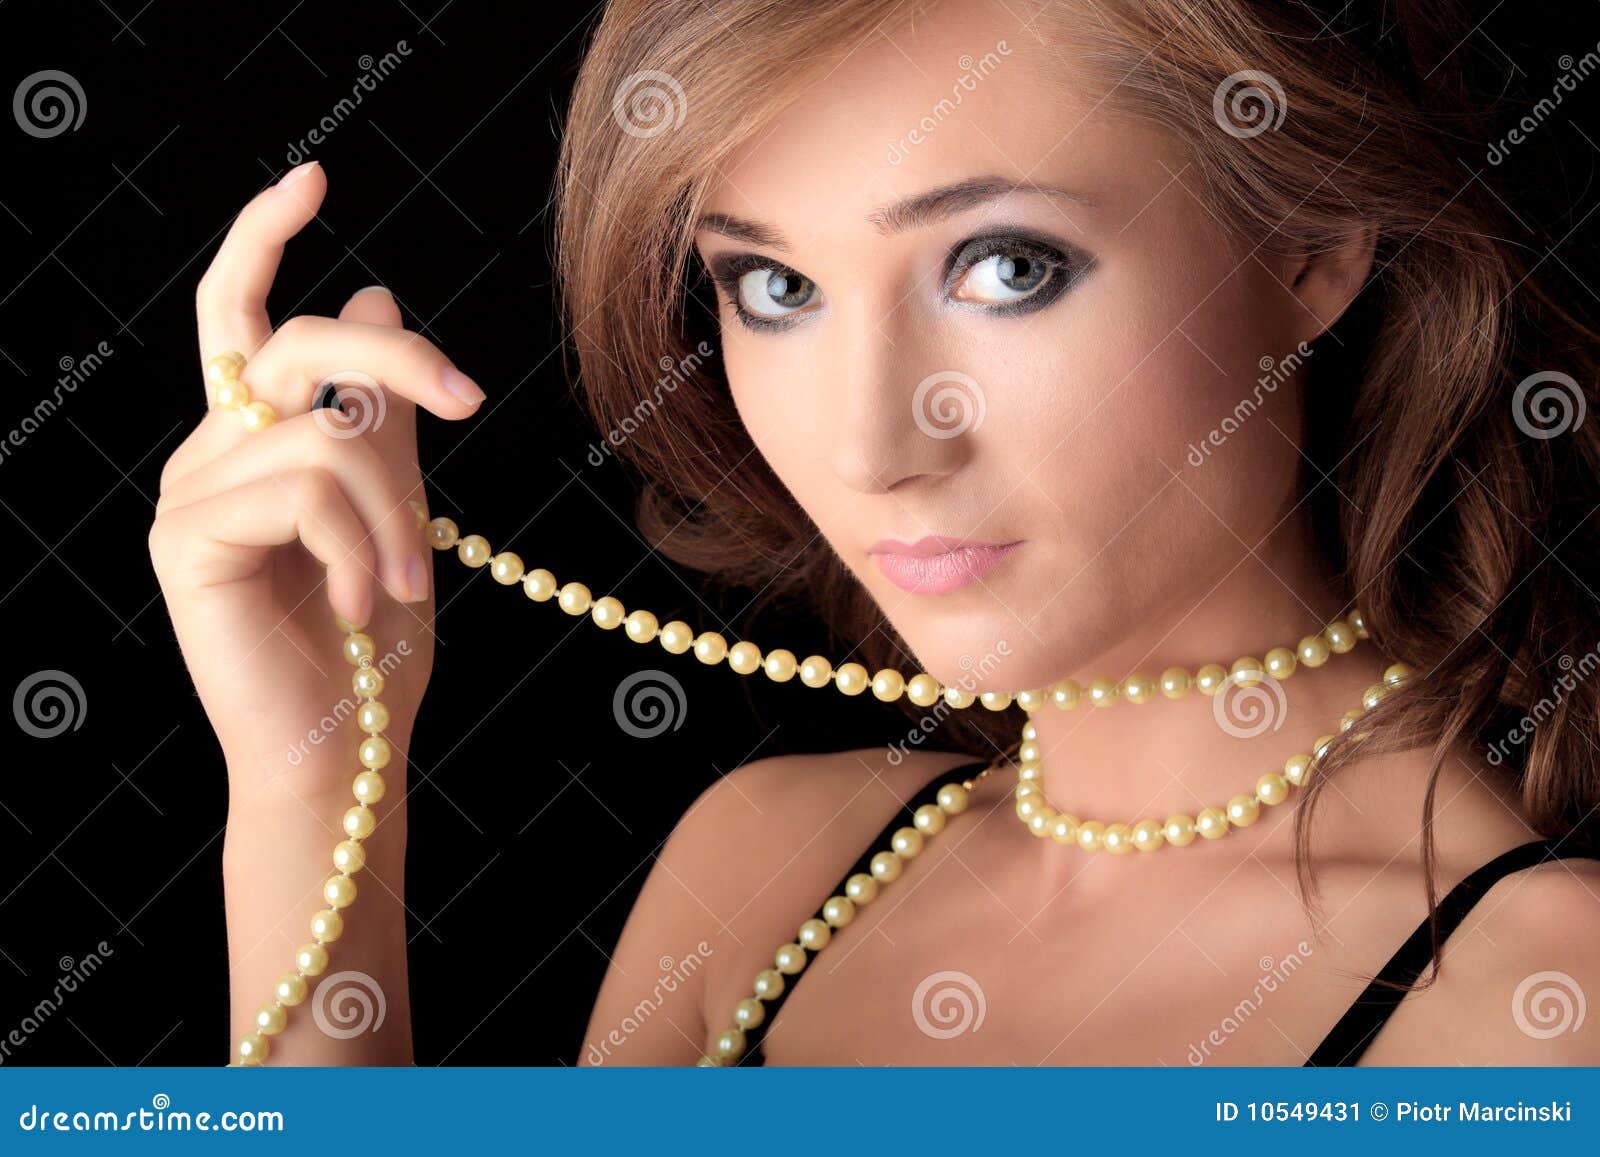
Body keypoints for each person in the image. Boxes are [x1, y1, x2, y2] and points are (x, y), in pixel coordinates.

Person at [149, 0, 1600, 1066]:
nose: (867, 447)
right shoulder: (763, 869)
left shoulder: (1540, 999)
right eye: (774, 289)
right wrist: (316, 785)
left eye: (1006, 266)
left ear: (1308, 243)